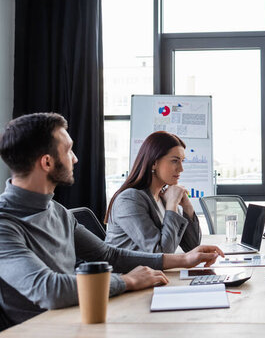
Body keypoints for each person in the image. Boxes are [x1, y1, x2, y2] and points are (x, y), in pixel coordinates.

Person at [0, 113, 223, 327]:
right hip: (41, 329)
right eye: (68, 150)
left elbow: (109, 255)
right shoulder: (4, 224)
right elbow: (48, 289)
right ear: (47, 163)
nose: (75, 158)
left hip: (77, 317)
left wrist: (184, 260)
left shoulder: (57, 211)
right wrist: (128, 281)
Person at [104, 131, 200, 253]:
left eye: (182, 161)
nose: (181, 168)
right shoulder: (129, 199)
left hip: (151, 271)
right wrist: (172, 205)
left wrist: (187, 207)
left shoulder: (162, 197)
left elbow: (193, 246)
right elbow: (161, 254)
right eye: (175, 161)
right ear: (154, 163)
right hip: (127, 272)